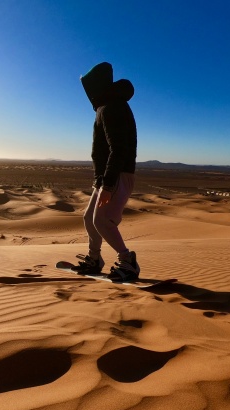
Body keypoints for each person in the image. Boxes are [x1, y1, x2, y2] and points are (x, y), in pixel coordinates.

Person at [72, 61, 140, 281]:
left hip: (118, 175)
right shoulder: (106, 106)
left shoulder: (112, 107)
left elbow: (117, 149)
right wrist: (101, 181)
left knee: (102, 221)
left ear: (97, 86)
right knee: (89, 218)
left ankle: (127, 261)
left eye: (88, 87)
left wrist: (109, 185)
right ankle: (95, 259)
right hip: (107, 177)